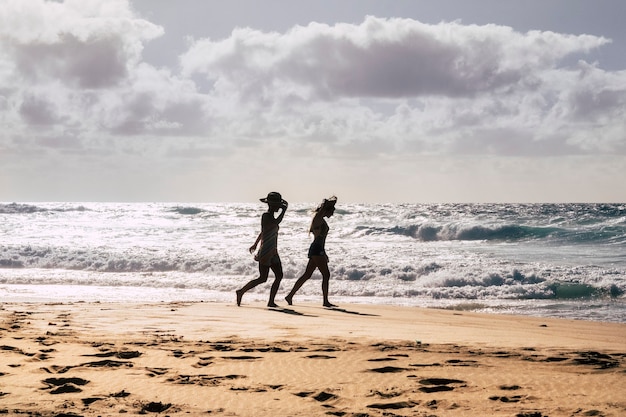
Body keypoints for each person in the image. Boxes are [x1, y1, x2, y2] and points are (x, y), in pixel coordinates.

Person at [236, 192, 288, 307]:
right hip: (266, 251)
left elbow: (263, 232)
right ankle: (241, 291)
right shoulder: (266, 216)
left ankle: (271, 301)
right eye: (277, 205)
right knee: (263, 278)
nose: (279, 207)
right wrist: (284, 211)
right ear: (271, 205)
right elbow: (275, 223)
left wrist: (255, 244)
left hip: (273, 250)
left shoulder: (270, 217)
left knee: (279, 275)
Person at [285, 196, 337, 307]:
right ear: (326, 210)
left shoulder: (320, 219)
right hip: (317, 249)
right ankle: (325, 302)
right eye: (332, 211)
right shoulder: (318, 217)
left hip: (318, 249)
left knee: (307, 275)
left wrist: (325, 252)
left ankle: (289, 296)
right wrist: (329, 203)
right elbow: (324, 207)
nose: (332, 214)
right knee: (326, 275)